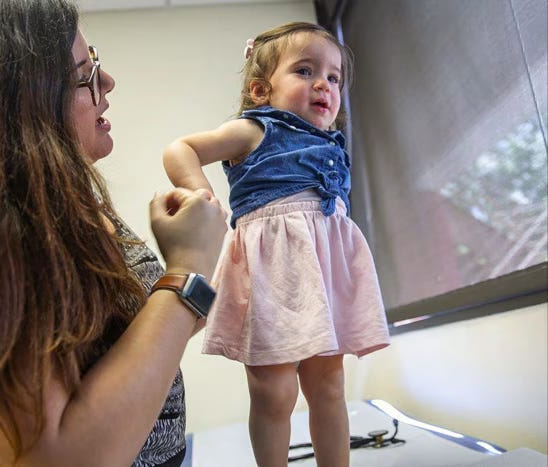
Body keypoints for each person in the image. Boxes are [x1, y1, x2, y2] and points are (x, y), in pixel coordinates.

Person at [0, 0, 227, 466]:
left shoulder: (59, 202)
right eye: (83, 76)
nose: (106, 83)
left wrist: (191, 275)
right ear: (18, 104)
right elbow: (54, 457)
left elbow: (142, 344)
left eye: (96, 63)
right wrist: (186, 270)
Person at [163, 21, 391, 467]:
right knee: (274, 390)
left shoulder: (334, 144)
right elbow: (180, 149)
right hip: (272, 268)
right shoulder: (254, 129)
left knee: (329, 385)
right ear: (260, 91)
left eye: (333, 77)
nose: (323, 84)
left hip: (322, 269)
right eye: (305, 71)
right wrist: (203, 197)